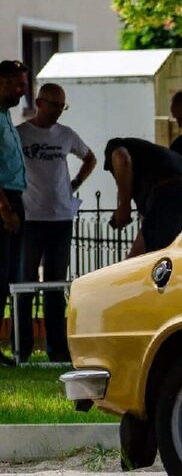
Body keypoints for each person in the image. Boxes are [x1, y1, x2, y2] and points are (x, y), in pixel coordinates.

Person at [16, 83, 96, 362]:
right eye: (52, 105)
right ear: (39, 102)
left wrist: (75, 183)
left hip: (61, 218)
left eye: (62, 106)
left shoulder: (66, 135)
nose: (57, 111)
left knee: (55, 286)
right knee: (24, 285)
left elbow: (90, 157)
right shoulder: (21, 134)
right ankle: (22, 349)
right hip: (31, 218)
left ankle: (57, 350)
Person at [104, 137, 182, 257]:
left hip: (169, 190)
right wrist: (130, 261)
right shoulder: (151, 163)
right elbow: (145, 238)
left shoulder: (114, 145)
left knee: (159, 259)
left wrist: (124, 205)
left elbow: (122, 160)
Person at [0, 60, 28, 366]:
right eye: (18, 85)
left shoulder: (6, 115)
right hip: (4, 200)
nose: (23, 91)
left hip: (14, 198)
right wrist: (4, 208)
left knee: (6, 276)